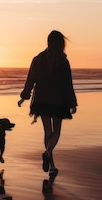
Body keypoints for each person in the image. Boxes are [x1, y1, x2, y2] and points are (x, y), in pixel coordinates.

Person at [18, 30, 77, 176]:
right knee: (56, 132)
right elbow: (67, 84)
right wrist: (72, 103)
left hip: (41, 100)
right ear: (61, 44)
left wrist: (24, 97)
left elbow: (30, 80)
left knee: (47, 132)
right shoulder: (63, 61)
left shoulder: (37, 59)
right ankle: (47, 152)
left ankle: (52, 165)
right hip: (59, 101)